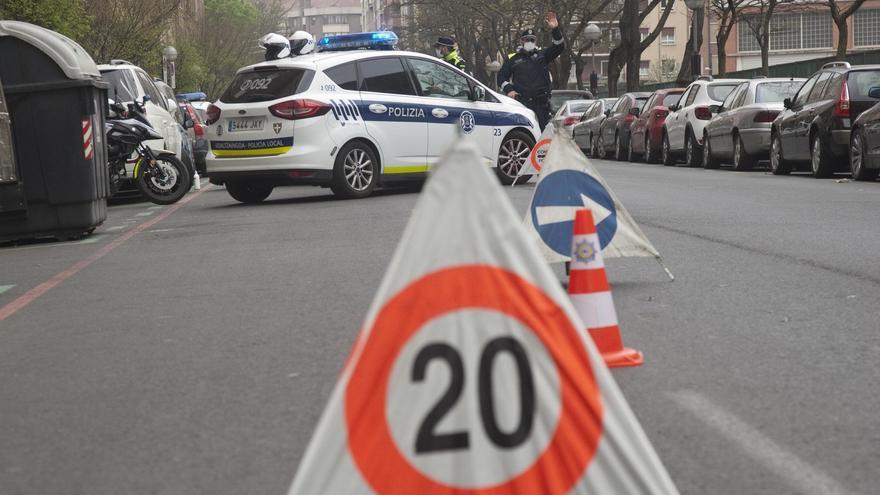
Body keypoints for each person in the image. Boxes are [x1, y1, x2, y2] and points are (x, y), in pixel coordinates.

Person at [497, 12, 564, 130]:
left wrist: (555, 29)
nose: (529, 42)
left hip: (541, 104)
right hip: (522, 104)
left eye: (532, 40)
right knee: (525, 134)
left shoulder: (543, 55)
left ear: (536, 41)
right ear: (522, 41)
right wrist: (509, 90)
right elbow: (501, 77)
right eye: (527, 39)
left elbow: (559, 47)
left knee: (543, 136)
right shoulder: (513, 59)